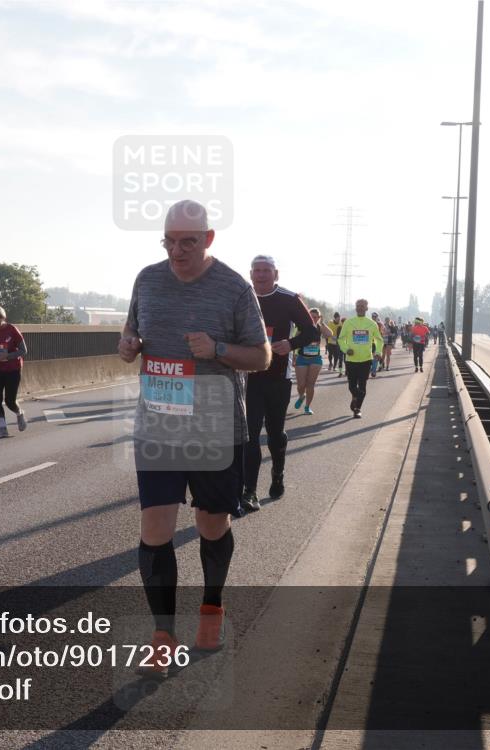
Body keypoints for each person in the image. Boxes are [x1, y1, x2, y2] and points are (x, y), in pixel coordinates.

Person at [119, 199, 269, 677]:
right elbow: (133, 328)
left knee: (211, 527)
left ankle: (211, 607)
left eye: (187, 242)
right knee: (154, 530)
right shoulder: (147, 279)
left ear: (208, 239)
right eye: (169, 241)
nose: (177, 251)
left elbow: (263, 356)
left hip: (213, 428)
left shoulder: (232, 287)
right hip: (159, 425)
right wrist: (129, 346)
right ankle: (162, 635)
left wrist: (219, 350)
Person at [244, 257, 318, 512]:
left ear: (276, 274)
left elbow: (312, 331)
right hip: (248, 376)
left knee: (275, 434)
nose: (261, 275)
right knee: (249, 435)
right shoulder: (242, 296)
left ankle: (277, 473)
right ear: (251, 273)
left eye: (267, 271)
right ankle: (249, 491)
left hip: (278, 377)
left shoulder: (289, 299)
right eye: (257, 271)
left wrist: (291, 344)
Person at [0, 306, 28, 438]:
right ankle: (3, 428)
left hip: (13, 369)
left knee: (9, 401)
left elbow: (23, 351)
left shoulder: (12, 330)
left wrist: (7, 356)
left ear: (2, 318)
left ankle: (19, 413)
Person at [337, 298, 384, 419]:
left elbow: (379, 340)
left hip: (366, 359)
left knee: (362, 386)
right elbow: (341, 339)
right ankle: (356, 398)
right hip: (351, 359)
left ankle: (357, 409)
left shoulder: (372, 324)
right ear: (355, 308)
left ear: (367, 308)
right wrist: (346, 349)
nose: (360, 307)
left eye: (363, 306)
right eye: (358, 305)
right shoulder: (348, 322)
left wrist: (378, 352)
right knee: (352, 386)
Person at [293, 307, 332, 418]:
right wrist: (294, 355)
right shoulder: (302, 327)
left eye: (315, 317)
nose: (313, 319)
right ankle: (301, 396)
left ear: (318, 318)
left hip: (315, 359)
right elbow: (294, 341)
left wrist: (322, 323)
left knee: (310, 384)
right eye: (310, 317)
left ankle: (307, 407)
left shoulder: (319, 327)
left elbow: (329, 334)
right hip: (302, 357)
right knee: (301, 385)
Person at [369, 312, 386, 378]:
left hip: (377, 343)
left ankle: (373, 371)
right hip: (370, 342)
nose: (374, 317)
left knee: (376, 357)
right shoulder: (369, 323)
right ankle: (373, 369)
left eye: (375, 316)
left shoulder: (380, 324)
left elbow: (383, 332)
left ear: (377, 317)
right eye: (373, 316)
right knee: (370, 357)